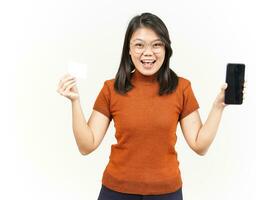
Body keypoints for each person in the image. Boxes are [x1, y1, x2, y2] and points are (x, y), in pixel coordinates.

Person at [57, 12, 246, 200]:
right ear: (129, 50)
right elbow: (86, 145)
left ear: (166, 49)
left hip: (167, 193)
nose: (148, 52)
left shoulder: (181, 88)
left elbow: (200, 145)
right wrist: (75, 101)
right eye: (139, 45)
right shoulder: (111, 88)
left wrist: (218, 106)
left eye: (156, 44)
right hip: (116, 191)